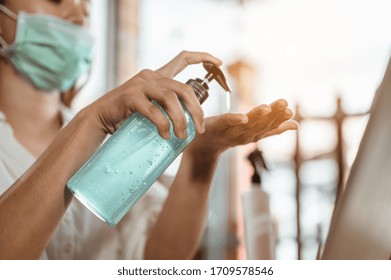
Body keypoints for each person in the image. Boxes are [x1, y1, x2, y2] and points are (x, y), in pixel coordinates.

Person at [0, 0, 298, 260]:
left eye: (86, 7)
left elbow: (157, 257)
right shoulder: (99, 124)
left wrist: (201, 157)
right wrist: (91, 122)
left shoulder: (115, 141)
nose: (78, 14)